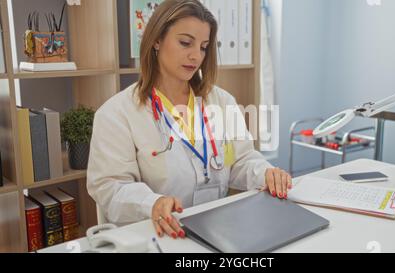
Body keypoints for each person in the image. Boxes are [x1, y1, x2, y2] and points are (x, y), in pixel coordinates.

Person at [87, 0, 292, 239]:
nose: (196, 55)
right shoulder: (116, 114)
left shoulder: (222, 101)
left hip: (217, 232)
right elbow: (110, 187)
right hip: (157, 236)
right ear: (156, 40)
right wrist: (151, 203)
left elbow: (239, 161)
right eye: (185, 43)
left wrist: (265, 173)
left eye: (204, 47)